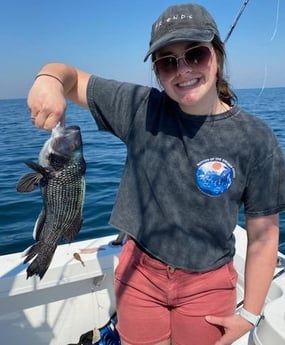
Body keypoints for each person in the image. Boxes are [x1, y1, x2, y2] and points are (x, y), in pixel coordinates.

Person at [27, 3, 285, 345]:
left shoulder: (256, 138)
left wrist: (250, 314)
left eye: (195, 55)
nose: (182, 70)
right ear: (157, 70)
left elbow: (265, 237)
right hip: (139, 276)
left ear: (217, 56)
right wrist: (48, 80)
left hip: (207, 284)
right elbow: (68, 74)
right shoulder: (139, 107)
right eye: (167, 61)